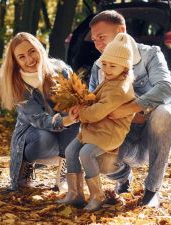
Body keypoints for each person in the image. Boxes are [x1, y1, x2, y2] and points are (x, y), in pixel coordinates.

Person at [88, 10, 171, 207]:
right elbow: (93, 104)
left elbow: (167, 88)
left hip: (153, 136)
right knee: (98, 158)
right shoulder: (98, 66)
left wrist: (131, 109)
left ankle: (152, 192)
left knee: (164, 113)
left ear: (121, 31)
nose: (98, 44)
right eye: (94, 39)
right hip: (122, 136)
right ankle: (123, 178)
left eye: (101, 37)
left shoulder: (150, 54)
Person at [57, 33, 136, 212]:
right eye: (105, 64)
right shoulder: (110, 80)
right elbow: (94, 102)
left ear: (125, 67)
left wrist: (82, 113)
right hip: (95, 128)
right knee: (70, 151)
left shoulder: (121, 88)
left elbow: (98, 111)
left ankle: (97, 195)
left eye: (112, 65)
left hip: (109, 132)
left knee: (86, 154)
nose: (106, 68)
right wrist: (80, 105)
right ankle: (75, 193)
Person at [0, 32, 79, 192]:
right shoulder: (17, 85)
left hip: (66, 133)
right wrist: (67, 120)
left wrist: (75, 114)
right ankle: (25, 164)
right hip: (35, 136)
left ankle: (64, 173)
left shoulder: (60, 70)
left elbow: (78, 97)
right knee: (44, 138)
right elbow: (40, 120)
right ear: (16, 62)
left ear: (39, 49)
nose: (29, 60)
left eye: (31, 51)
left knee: (77, 124)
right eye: (21, 57)